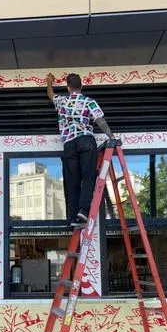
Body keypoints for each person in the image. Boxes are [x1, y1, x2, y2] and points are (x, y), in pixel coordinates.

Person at [47, 72, 115, 226]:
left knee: (72, 181)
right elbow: (100, 120)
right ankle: (83, 210)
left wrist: (49, 81)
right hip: (85, 139)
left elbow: (50, 94)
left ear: (68, 87)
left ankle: (72, 217)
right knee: (89, 175)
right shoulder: (88, 101)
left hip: (69, 143)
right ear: (81, 86)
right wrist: (111, 137)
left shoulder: (62, 101)